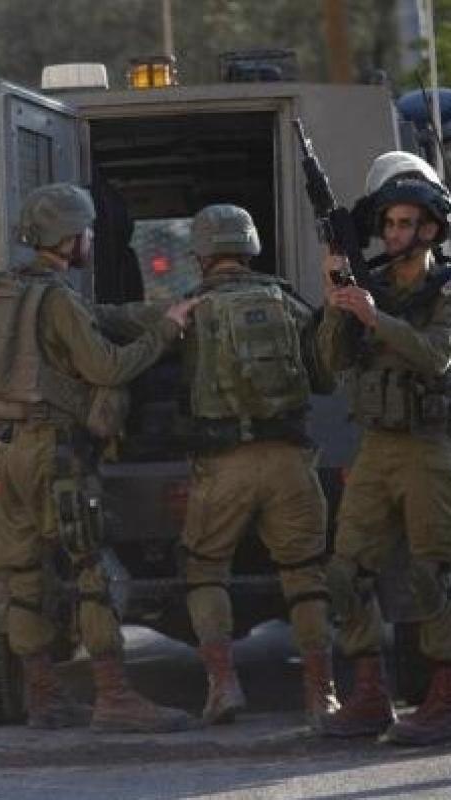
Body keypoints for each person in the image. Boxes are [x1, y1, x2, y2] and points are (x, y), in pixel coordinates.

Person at [0, 182, 197, 731]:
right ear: (70, 238)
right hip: (58, 456)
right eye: (87, 230)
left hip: (15, 451)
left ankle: (44, 696)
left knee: (21, 574)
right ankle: (115, 697)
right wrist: (167, 331)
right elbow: (109, 369)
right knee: (92, 572)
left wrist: (154, 312)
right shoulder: (60, 299)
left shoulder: (7, 288)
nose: (92, 237)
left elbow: (92, 317)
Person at [170, 205, 337, 727]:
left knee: (204, 569)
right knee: (306, 575)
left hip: (224, 465)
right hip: (289, 458)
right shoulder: (288, 300)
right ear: (251, 246)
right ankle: (321, 695)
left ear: (200, 253)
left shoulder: (192, 308)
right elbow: (324, 378)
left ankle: (223, 686)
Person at [317, 152, 451, 746]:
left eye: (407, 224)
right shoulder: (368, 284)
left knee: (432, 574)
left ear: (430, 229)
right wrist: (337, 304)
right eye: (390, 224)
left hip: (428, 446)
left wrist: (376, 319)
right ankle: (368, 694)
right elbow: (331, 363)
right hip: (376, 444)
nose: (395, 234)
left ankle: (442, 698)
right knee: (346, 570)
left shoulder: (443, 289)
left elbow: (437, 357)